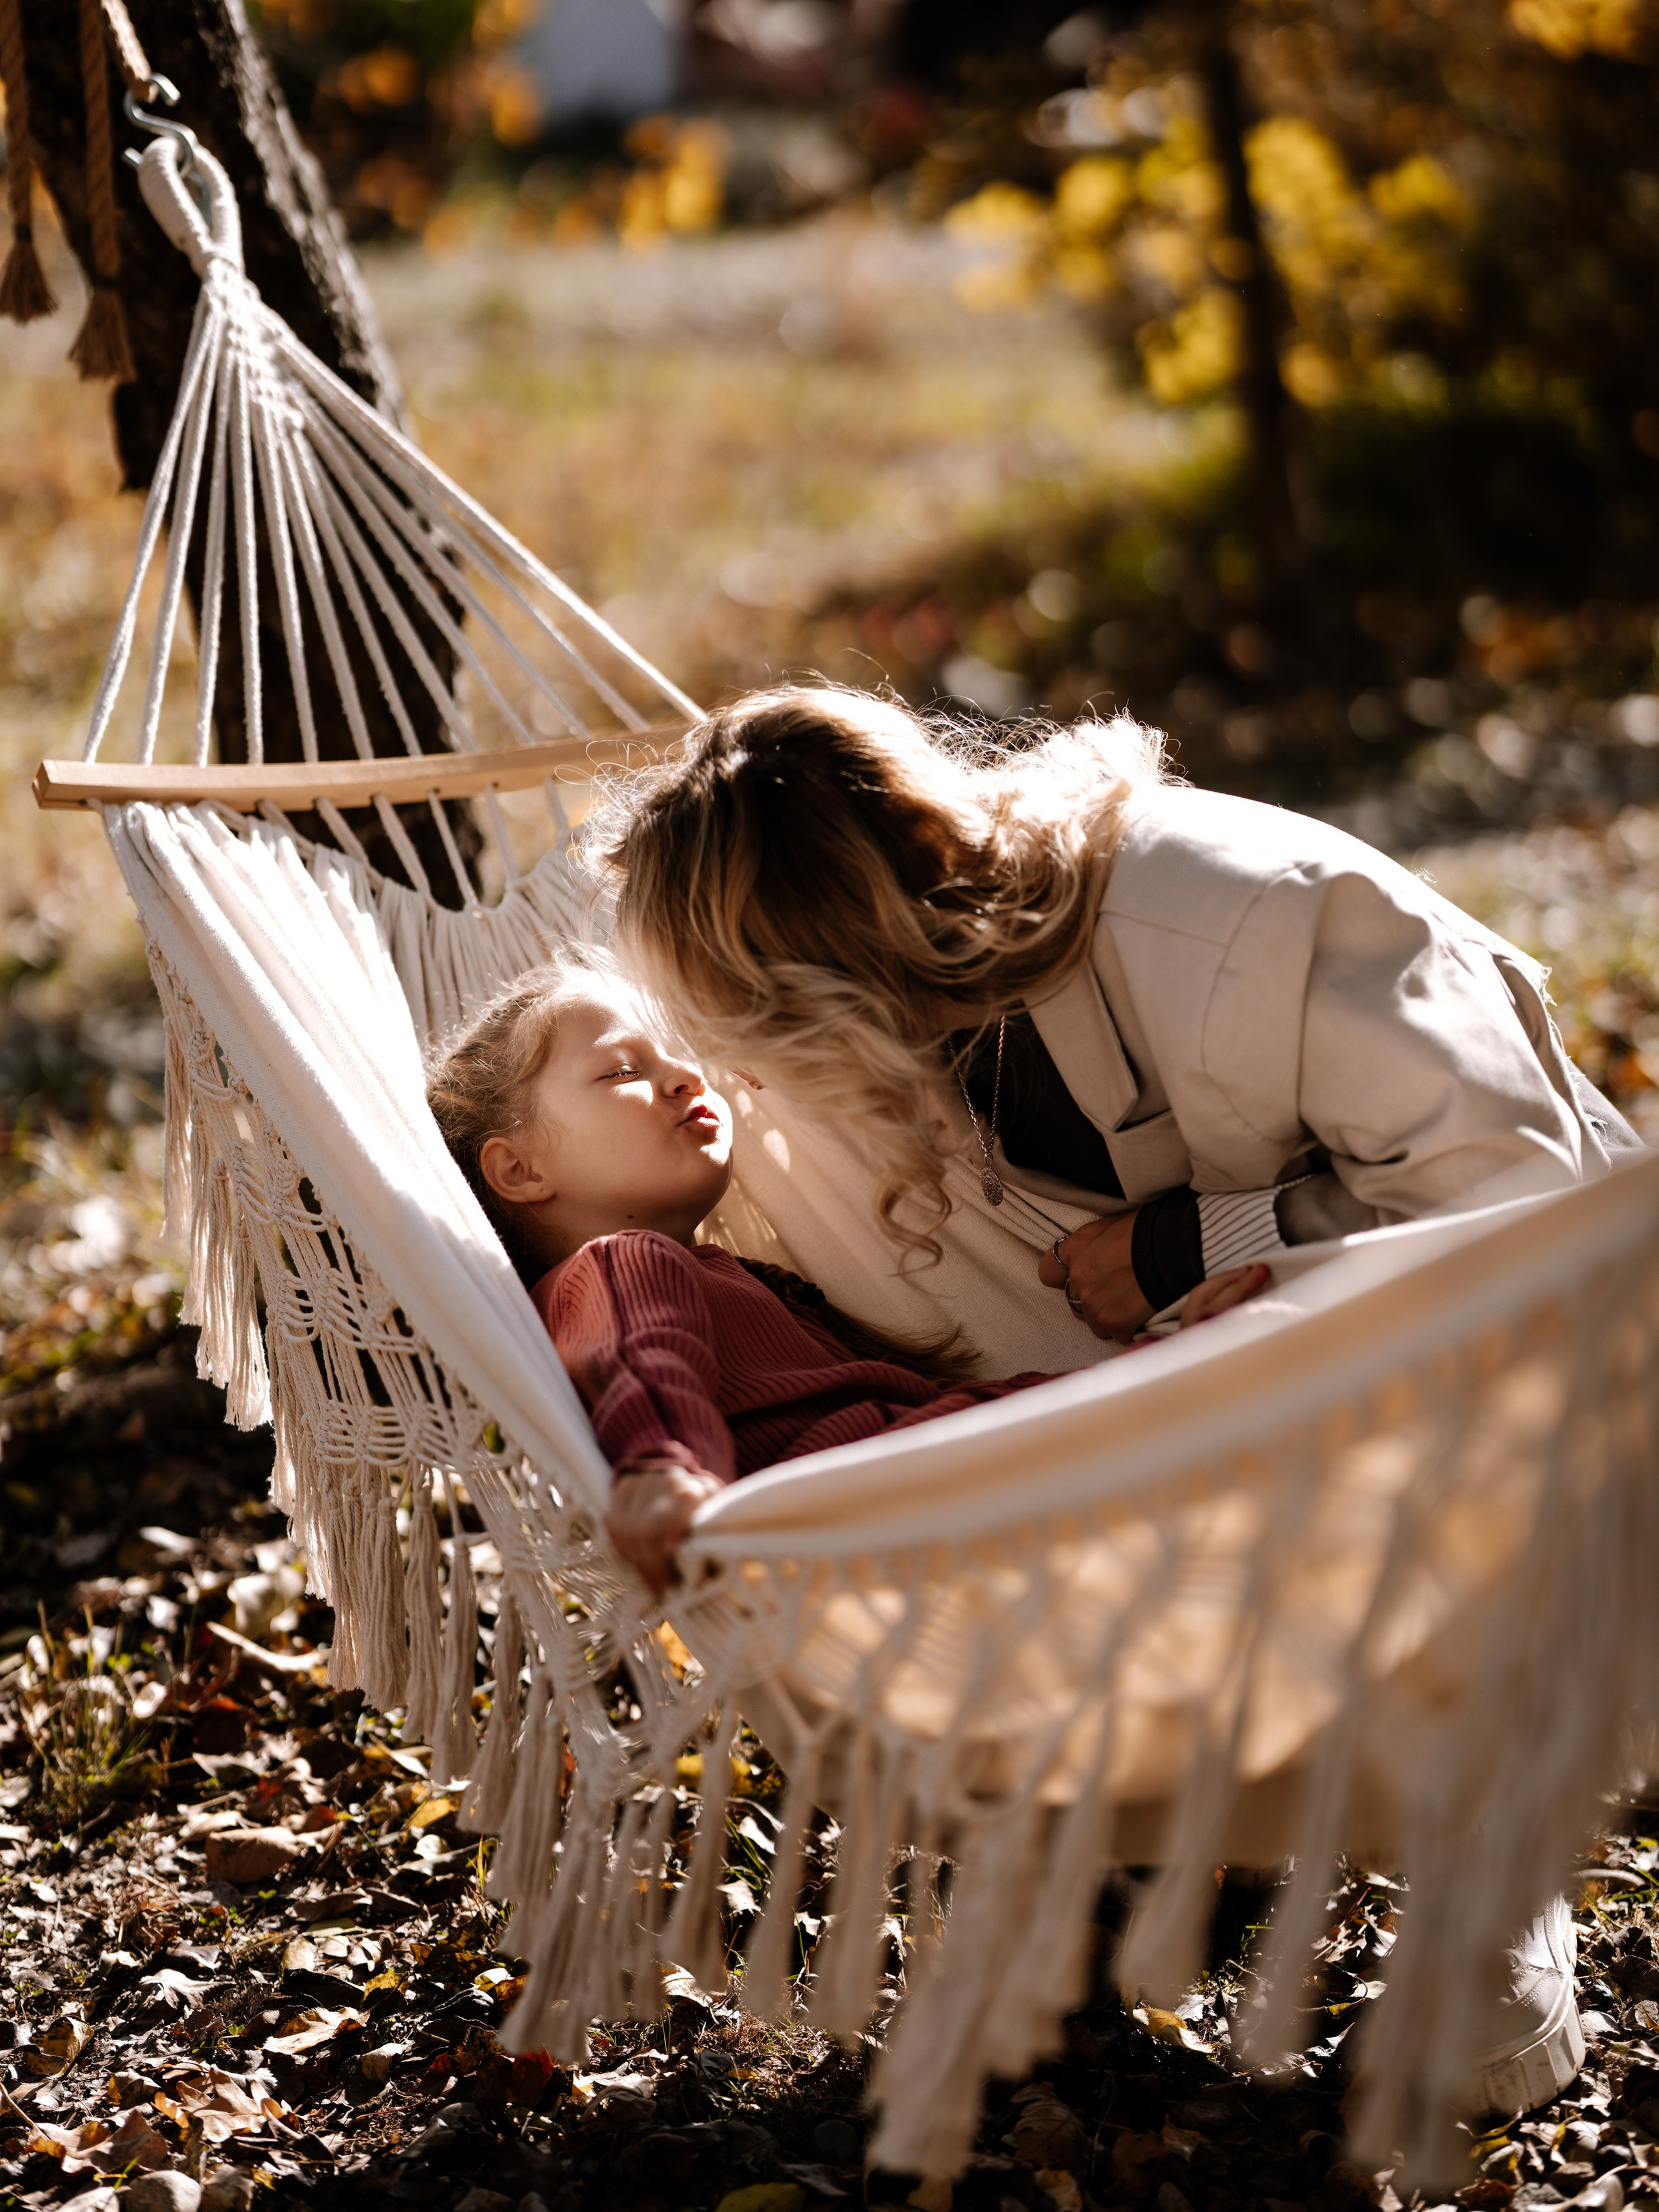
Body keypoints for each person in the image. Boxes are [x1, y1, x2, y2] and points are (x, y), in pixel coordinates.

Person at [585, 681, 1641, 2122]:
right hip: (1193, 1411)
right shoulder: (878, 1044)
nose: (748, 1054)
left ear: (843, 957)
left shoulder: (1255, 914)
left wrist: (1185, 1248)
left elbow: (1518, 1209)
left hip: (1500, 1375)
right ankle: (1126, 1835)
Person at [425, 960, 1267, 1594]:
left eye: (676, 1053)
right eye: (620, 1070)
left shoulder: (725, 1274)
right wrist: (666, 1465)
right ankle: (1195, 1372)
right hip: (880, 1495)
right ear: (520, 1169)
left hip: (910, 1490)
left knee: (1118, 1399)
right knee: (1206, 1380)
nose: (683, 1074)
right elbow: (644, 1360)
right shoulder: (620, 1263)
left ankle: (1187, 1372)